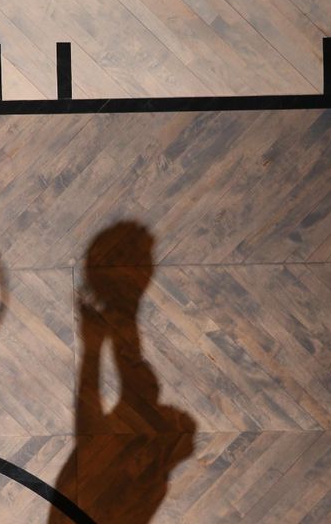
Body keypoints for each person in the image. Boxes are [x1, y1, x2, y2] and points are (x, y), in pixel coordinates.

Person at [50, 222, 195, 523]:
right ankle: (124, 310)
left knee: (140, 395)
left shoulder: (116, 479)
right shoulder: (146, 482)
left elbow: (88, 417)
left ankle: (123, 310)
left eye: (170, 414)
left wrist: (92, 346)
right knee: (142, 392)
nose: (171, 407)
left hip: (90, 496)